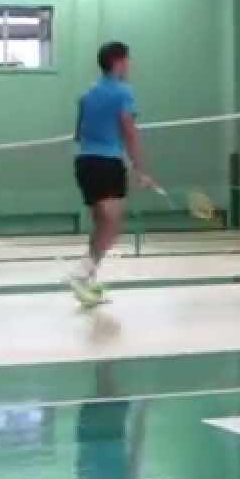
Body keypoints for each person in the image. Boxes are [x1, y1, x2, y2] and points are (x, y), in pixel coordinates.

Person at [70, 42, 154, 307]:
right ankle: (80, 275)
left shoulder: (86, 95)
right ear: (118, 61)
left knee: (101, 223)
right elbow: (129, 131)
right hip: (107, 164)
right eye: (127, 60)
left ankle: (89, 281)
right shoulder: (123, 92)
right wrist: (140, 169)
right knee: (112, 225)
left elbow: (78, 134)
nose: (130, 65)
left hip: (84, 162)